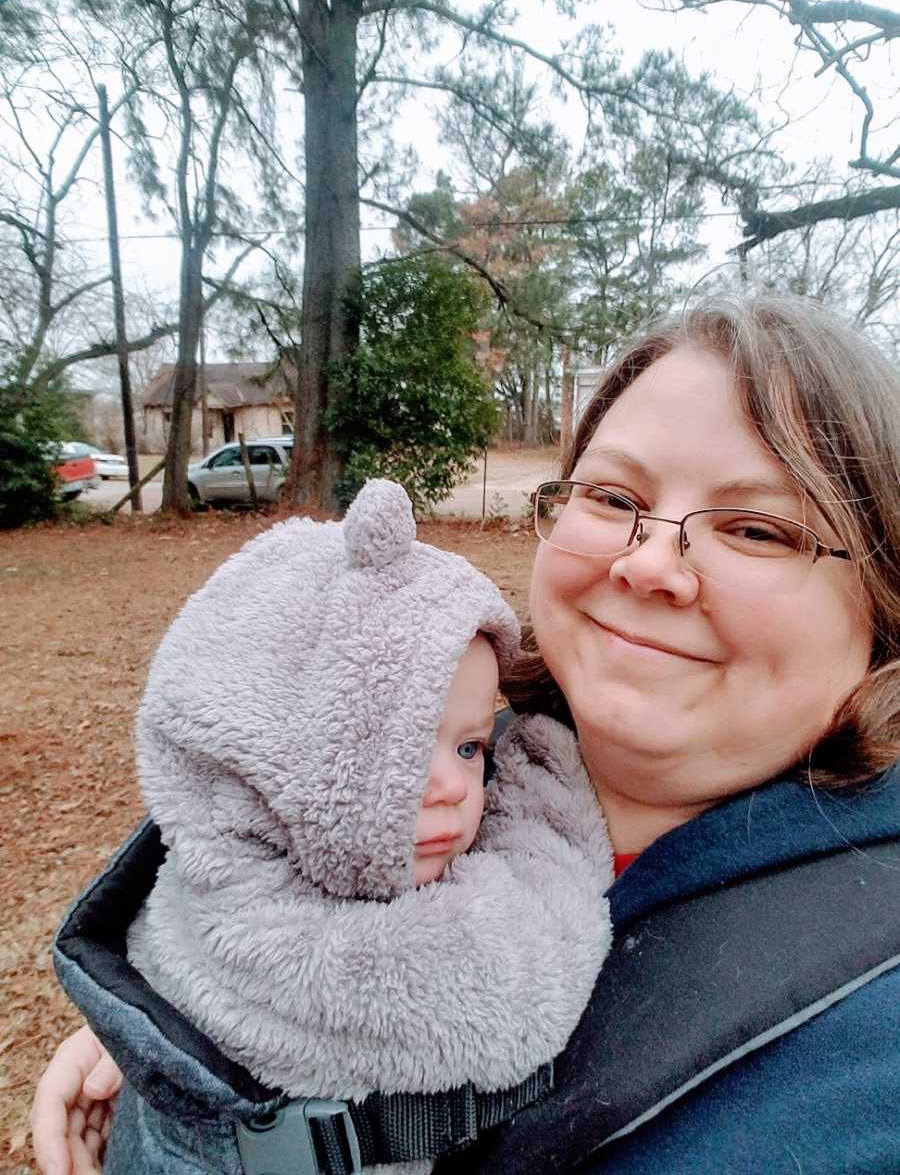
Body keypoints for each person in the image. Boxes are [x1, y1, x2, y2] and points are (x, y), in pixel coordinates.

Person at [33, 294, 900, 1175]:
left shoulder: (868, 1049)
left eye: (756, 528)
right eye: (611, 495)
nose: (645, 564)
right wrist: (179, 1046)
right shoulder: (438, 760)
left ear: (882, 601)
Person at [46, 477, 614, 1175]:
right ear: (282, 758)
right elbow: (519, 976)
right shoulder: (293, 953)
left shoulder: (206, 873)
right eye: (397, 751)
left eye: (471, 748)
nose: (451, 788)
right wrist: (549, 800)